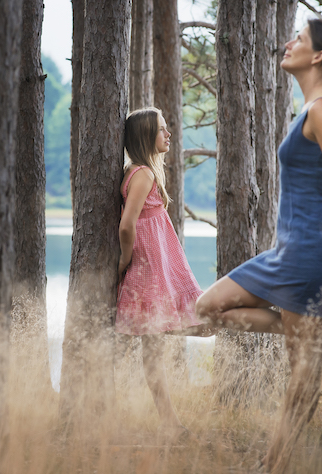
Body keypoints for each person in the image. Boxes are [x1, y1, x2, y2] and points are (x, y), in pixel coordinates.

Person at [195, 18, 322, 472]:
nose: (289, 44)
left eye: (300, 40)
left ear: (319, 56)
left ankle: (274, 465)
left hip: (309, 254)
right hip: (285, 253)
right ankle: (321, 330)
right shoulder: (312, 108)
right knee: (210, 307)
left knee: (301, 377)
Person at [117, 107, 207, 441]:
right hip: (151, 273)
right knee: (198, 323)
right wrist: (125, 261)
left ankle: (169, 422)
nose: (169, 135)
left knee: (153, 349)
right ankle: (169, 423)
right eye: (162, 130)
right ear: (145, 137)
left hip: (157, 271)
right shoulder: (144, 174)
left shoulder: (140, 172)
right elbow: (128, 224)